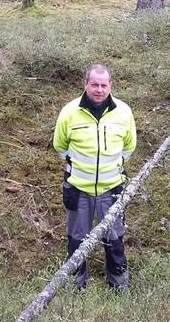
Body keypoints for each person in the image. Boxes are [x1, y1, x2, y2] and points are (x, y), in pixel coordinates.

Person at [52, 64, 137, 290]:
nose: (99, 90)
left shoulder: (123, 112)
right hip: (78, 190)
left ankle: (118, 287)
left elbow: (129, 147)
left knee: (115, 240)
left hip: (112, 191)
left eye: (103, 85)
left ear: (110, 86)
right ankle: (76, 288)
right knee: (76, 241)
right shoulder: (69, 112)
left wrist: (112, 167)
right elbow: (60, 146)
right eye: (94, 85)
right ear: (85, 85)